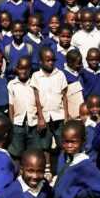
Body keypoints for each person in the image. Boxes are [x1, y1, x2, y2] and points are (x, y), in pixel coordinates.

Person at [31, 46, 69, 178]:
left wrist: (66, 115)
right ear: (41, 62)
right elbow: (36, 98)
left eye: (52, 60)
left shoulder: (60, 74)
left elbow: (64, 96)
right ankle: (47, 169)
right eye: (47, 60)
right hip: (45, 115)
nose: (50, 63)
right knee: (45, 144)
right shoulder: (36, 76)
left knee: (62, 142)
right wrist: (40, 117)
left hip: (59, 114)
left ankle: (63, 166)